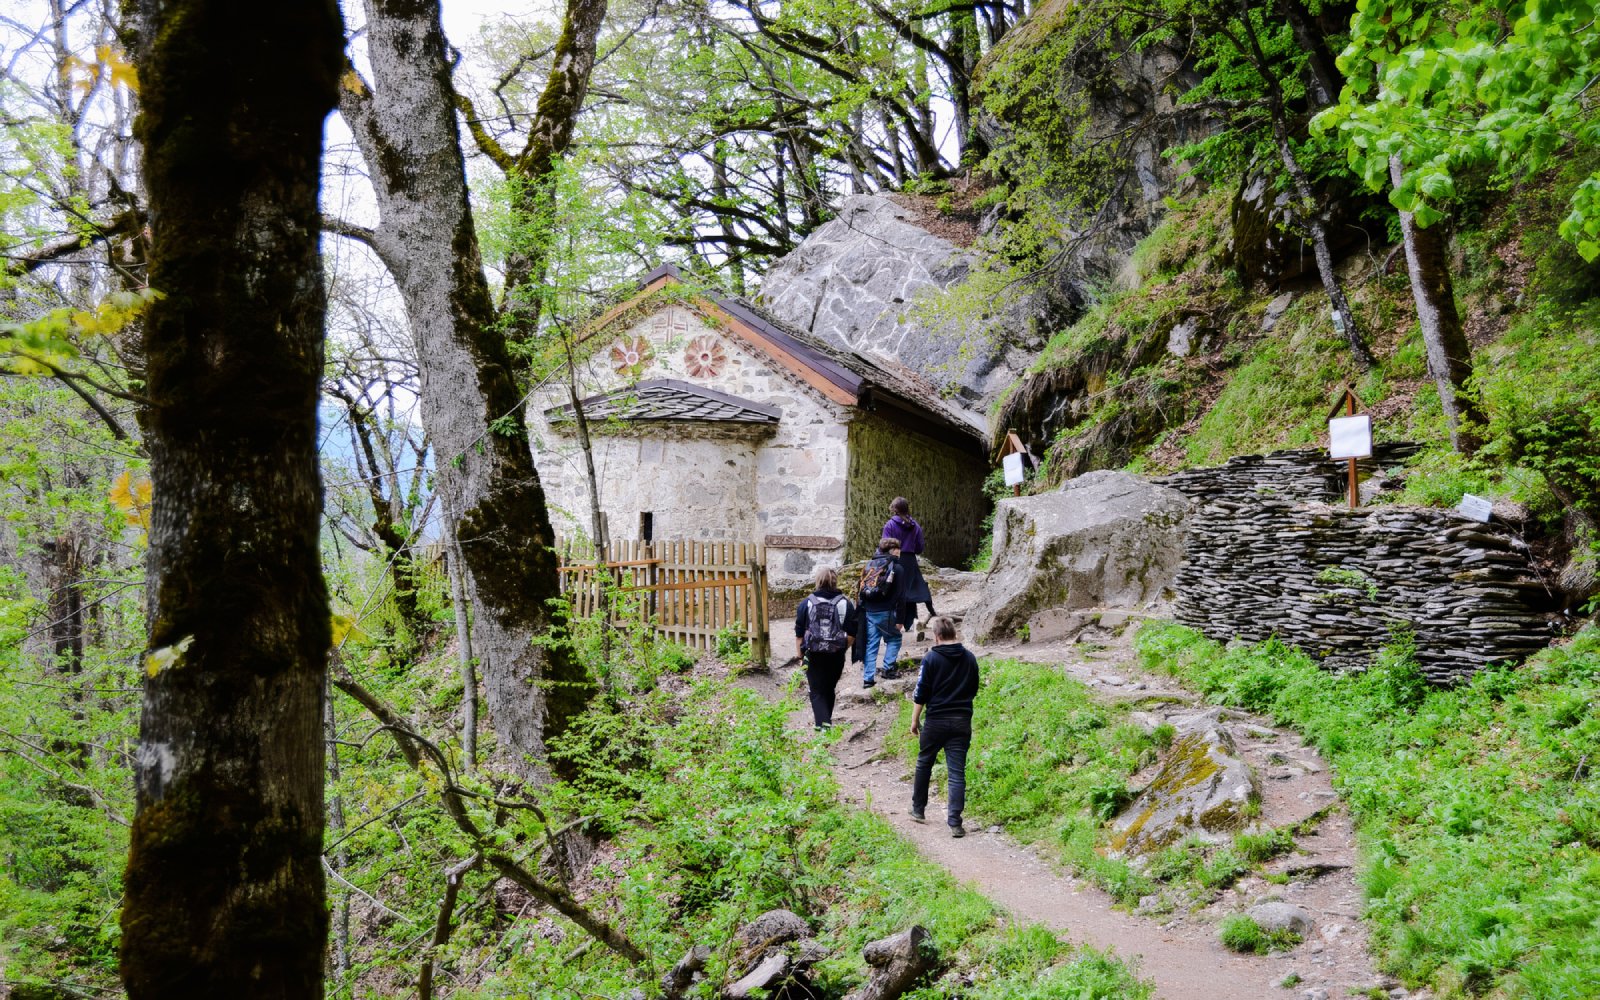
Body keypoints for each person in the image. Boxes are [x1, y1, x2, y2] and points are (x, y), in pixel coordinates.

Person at [908, 616, 980, 838]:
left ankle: (918, 809)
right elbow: (974, 687)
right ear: (955, 634)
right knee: (957, 772)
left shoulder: (931, 658)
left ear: (937, 636)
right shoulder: (969, 658)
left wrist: (914, 720)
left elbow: (921, 692)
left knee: (924, 763)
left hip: (936, 721)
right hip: (961, 721)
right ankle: (955, 823)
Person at [794, 565, 857, 729]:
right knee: (829, 687)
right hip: (836, 654)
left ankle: (823, 724)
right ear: (835, 582)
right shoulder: (845, 603)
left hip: (813, 653)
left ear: (818, 582)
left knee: (816, 690)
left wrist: (800, 656)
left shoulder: (807, 603)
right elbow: (852, 632)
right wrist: (842, 648)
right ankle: (825, 722)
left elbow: (799, 632)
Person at [856, 536, 904, 687]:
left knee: (871, 644)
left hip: (870, 611)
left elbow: (861, 589)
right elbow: (901, 595)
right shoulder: (896, 567)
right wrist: (900, 619)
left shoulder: (869, 565)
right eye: (898, 549)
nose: (900, 552)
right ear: (893, 550)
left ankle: (868, 679)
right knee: (894, 639)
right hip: (886, 611)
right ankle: (888, 669)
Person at [882, 497, 934, 633]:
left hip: (894, 559)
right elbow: (919, 547)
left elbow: (885, 544)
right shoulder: (915, 525)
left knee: (894, 590)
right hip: (910, 560)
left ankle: (894, 621)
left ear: (894, 509)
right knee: (909, 592)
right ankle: (911, 623)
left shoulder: (890, 525)